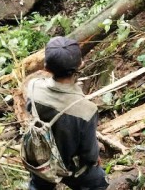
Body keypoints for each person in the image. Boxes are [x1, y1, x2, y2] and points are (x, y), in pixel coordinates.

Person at [26, 36, 108, 190]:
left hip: (41, 159)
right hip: (71, 168)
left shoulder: (33, 87)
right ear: (81, 64)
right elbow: (89, 154)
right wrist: (94, 157)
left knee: (38, 185)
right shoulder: (86, 109)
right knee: (98, 182)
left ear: (46, 67)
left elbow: (30, 111)